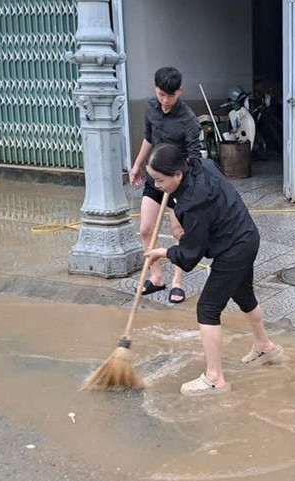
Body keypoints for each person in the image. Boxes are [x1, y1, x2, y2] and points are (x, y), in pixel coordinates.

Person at [143, 143, 283, 396]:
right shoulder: (203, 165)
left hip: (234, 249)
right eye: (153, 179)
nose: (156, 186)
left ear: (178, 174)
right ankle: (266, 347)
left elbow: (189, 256)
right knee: (243, 295)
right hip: (246, 235)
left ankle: (214, 378)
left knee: (207, 308)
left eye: (160, 180)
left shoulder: (193, 204)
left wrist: (161, 252)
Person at [129, 67, 201, 304]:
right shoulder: (151, 107)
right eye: (161, 94)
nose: (165, 100)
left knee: (178, 232)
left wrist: (183, 184)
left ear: (180, 90)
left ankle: (178, 282)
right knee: (146, 228)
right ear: (155, 89)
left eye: (171, 95)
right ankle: (157, 278)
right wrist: (137, 165)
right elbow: (149, 137)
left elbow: (194, 157)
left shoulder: (189, 120)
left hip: (179, 183)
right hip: (154, 178)